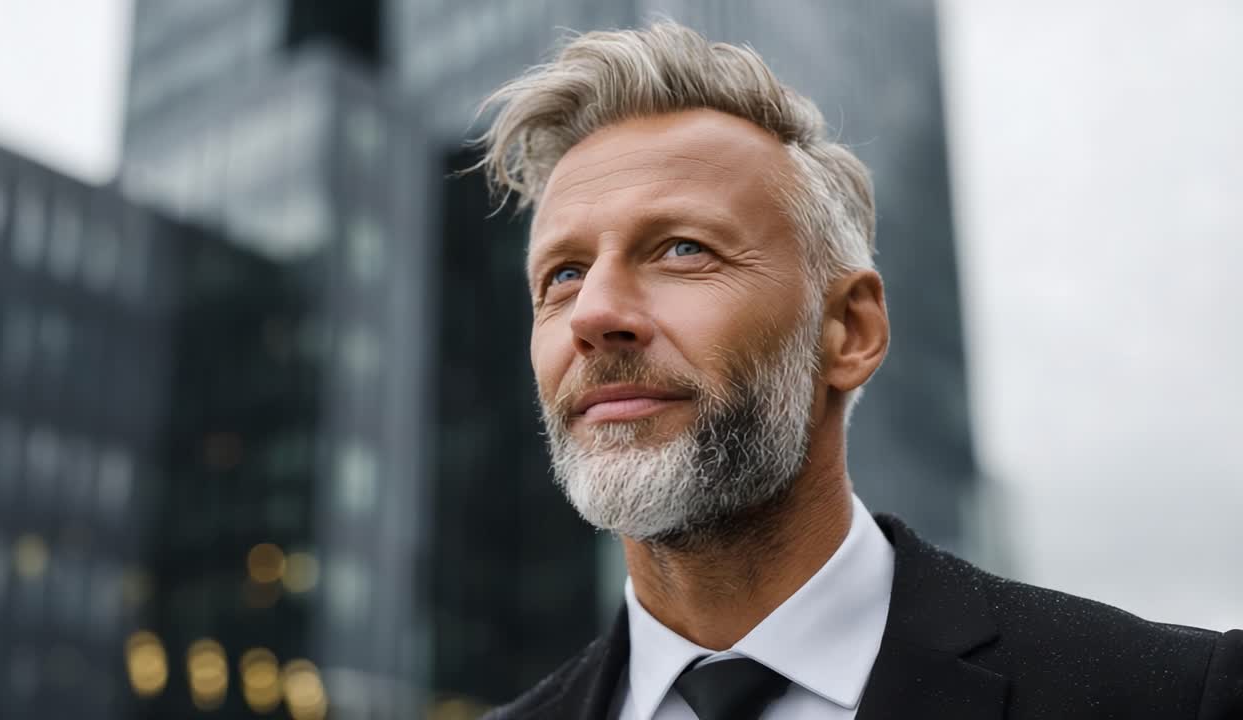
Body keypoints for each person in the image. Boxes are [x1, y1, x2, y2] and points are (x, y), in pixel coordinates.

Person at [472, 20, 1242, 720]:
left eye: (683, 249)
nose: (594, 314)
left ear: (849, 331)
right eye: (563, 276)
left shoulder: (1175, 697)